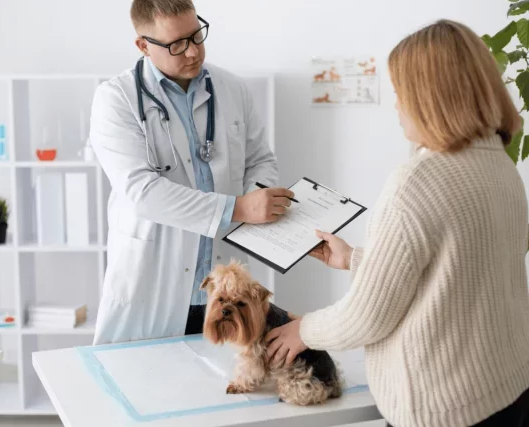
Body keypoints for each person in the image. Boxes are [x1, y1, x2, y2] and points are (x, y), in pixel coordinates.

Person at [265, 19, 529, 427]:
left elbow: (368, 316)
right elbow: (458, 271)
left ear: (431, 98)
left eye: (401, 92)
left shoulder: (418, 181)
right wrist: (356, 259)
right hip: (508, 389)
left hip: (444, 410)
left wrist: (303, 331)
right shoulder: (501, 167)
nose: (396, 105)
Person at [89, 0, 294, 345]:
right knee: (148, 386)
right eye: (176, 45)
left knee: (227, 385)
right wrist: (238, 209)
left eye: (196, 36)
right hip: (153, 283)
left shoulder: (232, 89)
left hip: (222, 287)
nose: (193, 52)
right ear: (143, 45)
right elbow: (141, 192)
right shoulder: (116, 99)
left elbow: (260, 159)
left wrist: (259, 199)